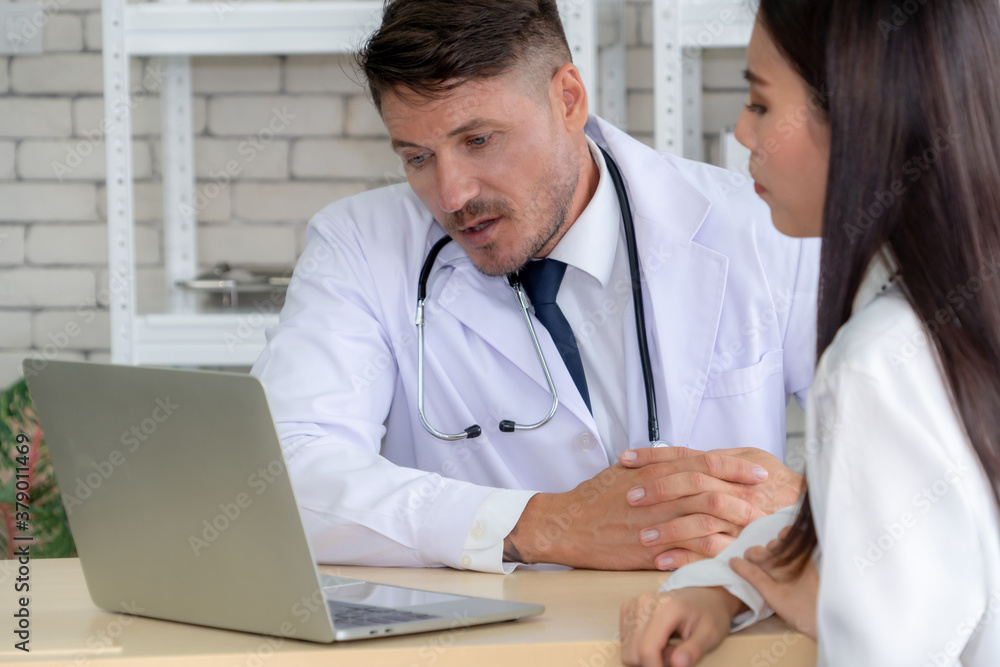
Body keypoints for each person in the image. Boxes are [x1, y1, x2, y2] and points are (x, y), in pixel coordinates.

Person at [250, 0, 819, 574]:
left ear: (567, 99)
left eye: (478, 141)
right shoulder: (360, 246)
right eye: (418, 157)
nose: (451, 195)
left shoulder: (759, 229)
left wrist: (807, 504)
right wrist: (541, 524)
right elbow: (277, 474)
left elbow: (894, 447)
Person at [620, 0, 1000, 663]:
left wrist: (843, 607)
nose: (742, 132)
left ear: (862, 113)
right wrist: (732, 583)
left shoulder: (876, 366)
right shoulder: (960, 309)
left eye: (762, 104)